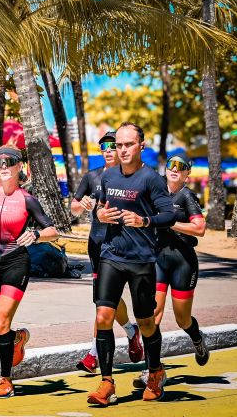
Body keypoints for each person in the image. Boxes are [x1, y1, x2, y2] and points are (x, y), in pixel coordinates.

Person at [87, 122, 175, 406]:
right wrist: (100, 214)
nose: (121, 150)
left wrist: (144, 220)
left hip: (142, 260)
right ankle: (107, 383)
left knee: (147, 323)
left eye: (127, 144)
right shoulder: (109, 176)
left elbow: (168, 215)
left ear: (141, 146)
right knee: (102, 317)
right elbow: (101, 205)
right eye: (118, 145)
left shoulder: (151, 179)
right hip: (111, 255)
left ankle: (155, 371)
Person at [0, 145, 59, 399]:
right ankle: (17, 338)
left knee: (0, 322)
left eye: (10, 162)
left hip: (15, 263)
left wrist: (37, 234)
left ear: (20, 166)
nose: (4, 166)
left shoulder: (26, 199)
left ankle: (5, 380)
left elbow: (53, 231)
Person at [133, 153, 209, 388]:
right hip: (157, 261)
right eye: (171, 165)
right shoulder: (155, 191)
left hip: (183, 262)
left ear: (187, 174)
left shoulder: (186, 196)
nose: (175, 169)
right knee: (152, 316)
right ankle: (151, 370)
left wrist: (170, 222)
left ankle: (197, 338)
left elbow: (200, 228)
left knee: (182, 318)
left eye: (181, 166)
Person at [71, 131, 143, 374]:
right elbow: (73, 204)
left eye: (113, 145)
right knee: (102, 299)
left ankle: (93, 354)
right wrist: (82, 205)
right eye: (104, 147)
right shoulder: (92, 176)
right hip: (96, 243)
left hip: (122, 244)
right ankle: (131, 332)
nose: (109, 150)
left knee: (104, 300)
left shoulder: (131, 177)